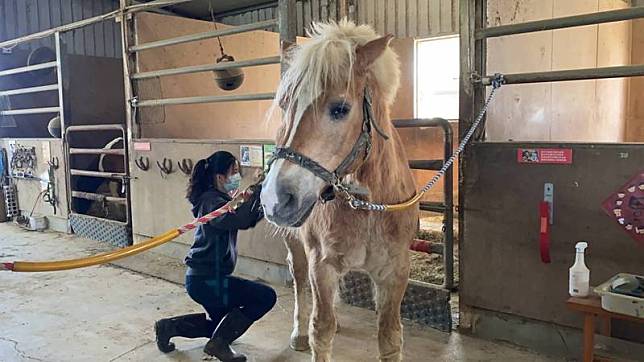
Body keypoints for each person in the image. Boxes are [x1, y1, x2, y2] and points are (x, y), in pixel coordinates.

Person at [154, 151, 276, 362]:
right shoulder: (211, 201)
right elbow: (238, 219)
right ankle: (219, 344)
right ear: (220, 177)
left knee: (220, 326)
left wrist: (264, 200)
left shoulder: (218, 199)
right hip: (209, 281)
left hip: (203, 279)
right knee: (266, 297)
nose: (237, 176)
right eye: (234, 172)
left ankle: (168, 327)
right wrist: (259, 190)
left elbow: (246, 216)